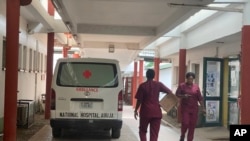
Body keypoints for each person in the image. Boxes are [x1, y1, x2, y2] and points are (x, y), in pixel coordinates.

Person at [134, 69, 174, 141]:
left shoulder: (142, 86)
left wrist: (136, 110)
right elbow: (169, 92)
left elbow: (139, 100)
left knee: (142, 131)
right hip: (156, 112)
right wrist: (164, 103)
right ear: (154, 76)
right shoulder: (158, 84)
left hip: (145, 112)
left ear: (146, 76)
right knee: (154, 134)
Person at [175, 72, 206, 141]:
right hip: (185, 108)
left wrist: (203, 108)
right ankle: (182, 134)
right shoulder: (182, 86)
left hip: (194, 109)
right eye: (189, 79)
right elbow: (177, 94)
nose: (190, 80)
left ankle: (190, 139)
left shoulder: (196, 87)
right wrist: (184, 96)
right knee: (185, 123)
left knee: (192, 126)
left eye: (192, 79)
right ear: (186, 78)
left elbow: (200, 98)